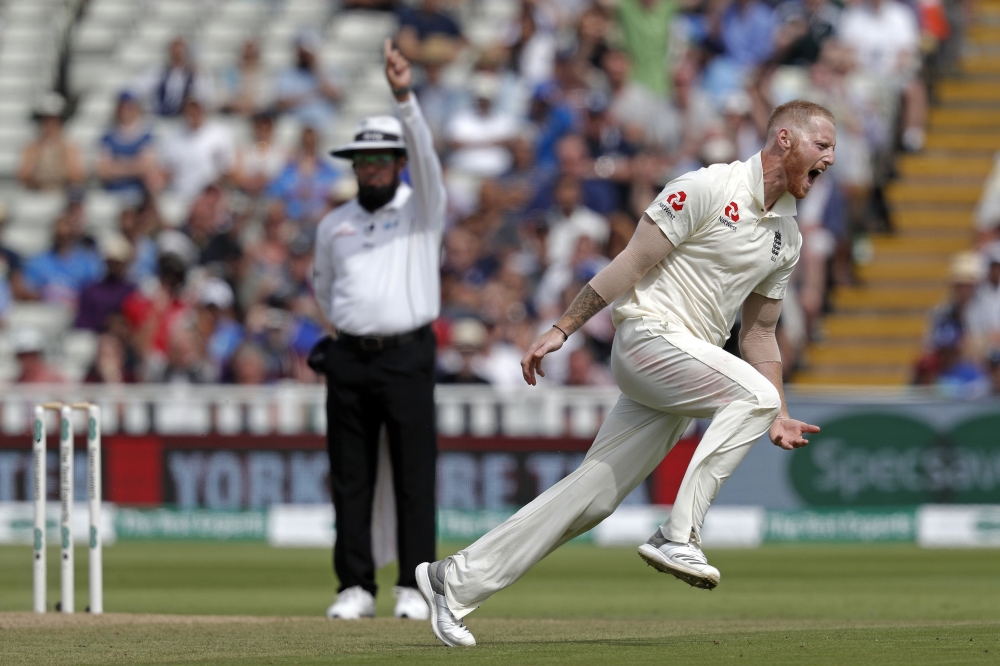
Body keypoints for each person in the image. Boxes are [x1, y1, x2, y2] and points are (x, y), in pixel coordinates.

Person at [415, 100, 835, 647]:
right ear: (785, 139)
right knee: (750, 395)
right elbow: (631, 263)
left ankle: (455, 580)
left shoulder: (788, 235)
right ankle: (678, 535)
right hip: (647, 338)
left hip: (685, 368)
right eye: (822, 145)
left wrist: (776, 413)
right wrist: (562, 328)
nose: (830, 158)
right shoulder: (708, 187)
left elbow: (758, 334)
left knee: (593, 496)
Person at [312, 40, 444, 622]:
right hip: (349, 358)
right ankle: (355, 586)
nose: (370, 169)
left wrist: (403, 97)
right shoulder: (333, 224)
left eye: (381, 160)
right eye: (362, 162)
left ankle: (414, 587)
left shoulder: (422, 209)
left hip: (408, 355)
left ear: (397, 163)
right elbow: (324, 288)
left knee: (415, 477)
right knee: (351, 476)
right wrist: (348, 330)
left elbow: (427, 153)